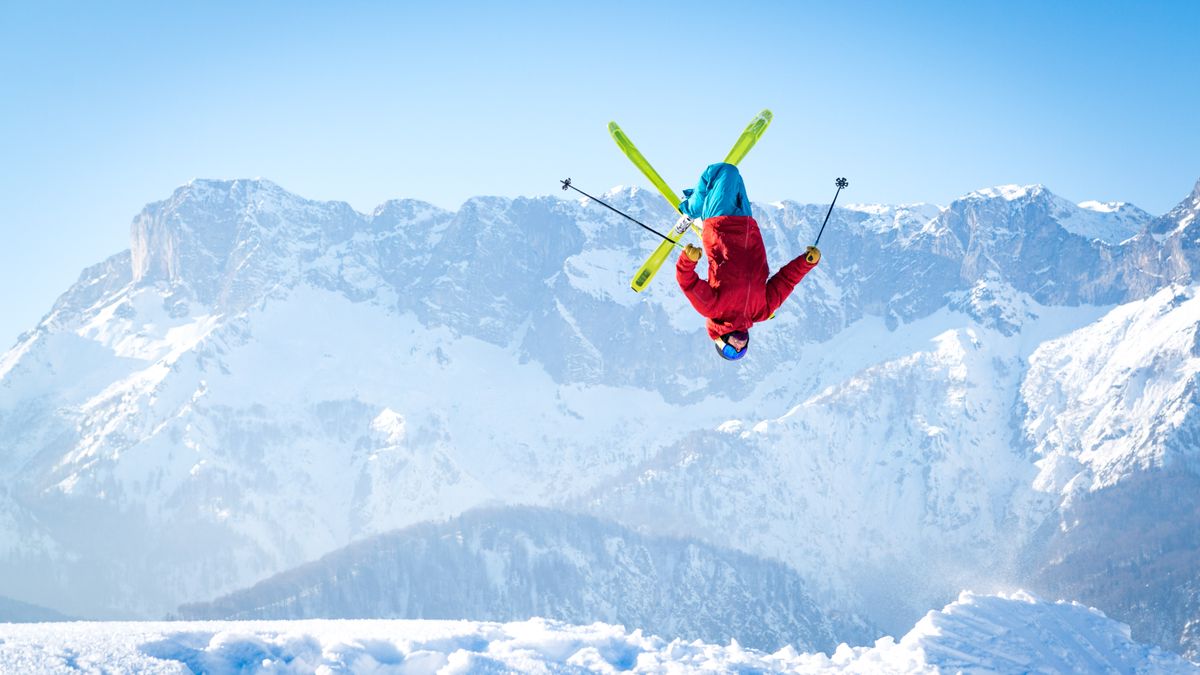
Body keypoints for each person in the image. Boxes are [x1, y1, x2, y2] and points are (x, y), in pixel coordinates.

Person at [674, 162, 820, 361]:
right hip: (747, 225)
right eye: (741, 351)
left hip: (719, 223)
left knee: (725, 171)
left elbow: (687, 282)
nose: (739, 347)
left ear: (720, 340)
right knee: (734, 176)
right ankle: (701, 200)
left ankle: (690, 208)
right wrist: (807, 262)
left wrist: (688, 260)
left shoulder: (712, 309)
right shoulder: (761, 311)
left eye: (729, 351)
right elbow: (786, 281)